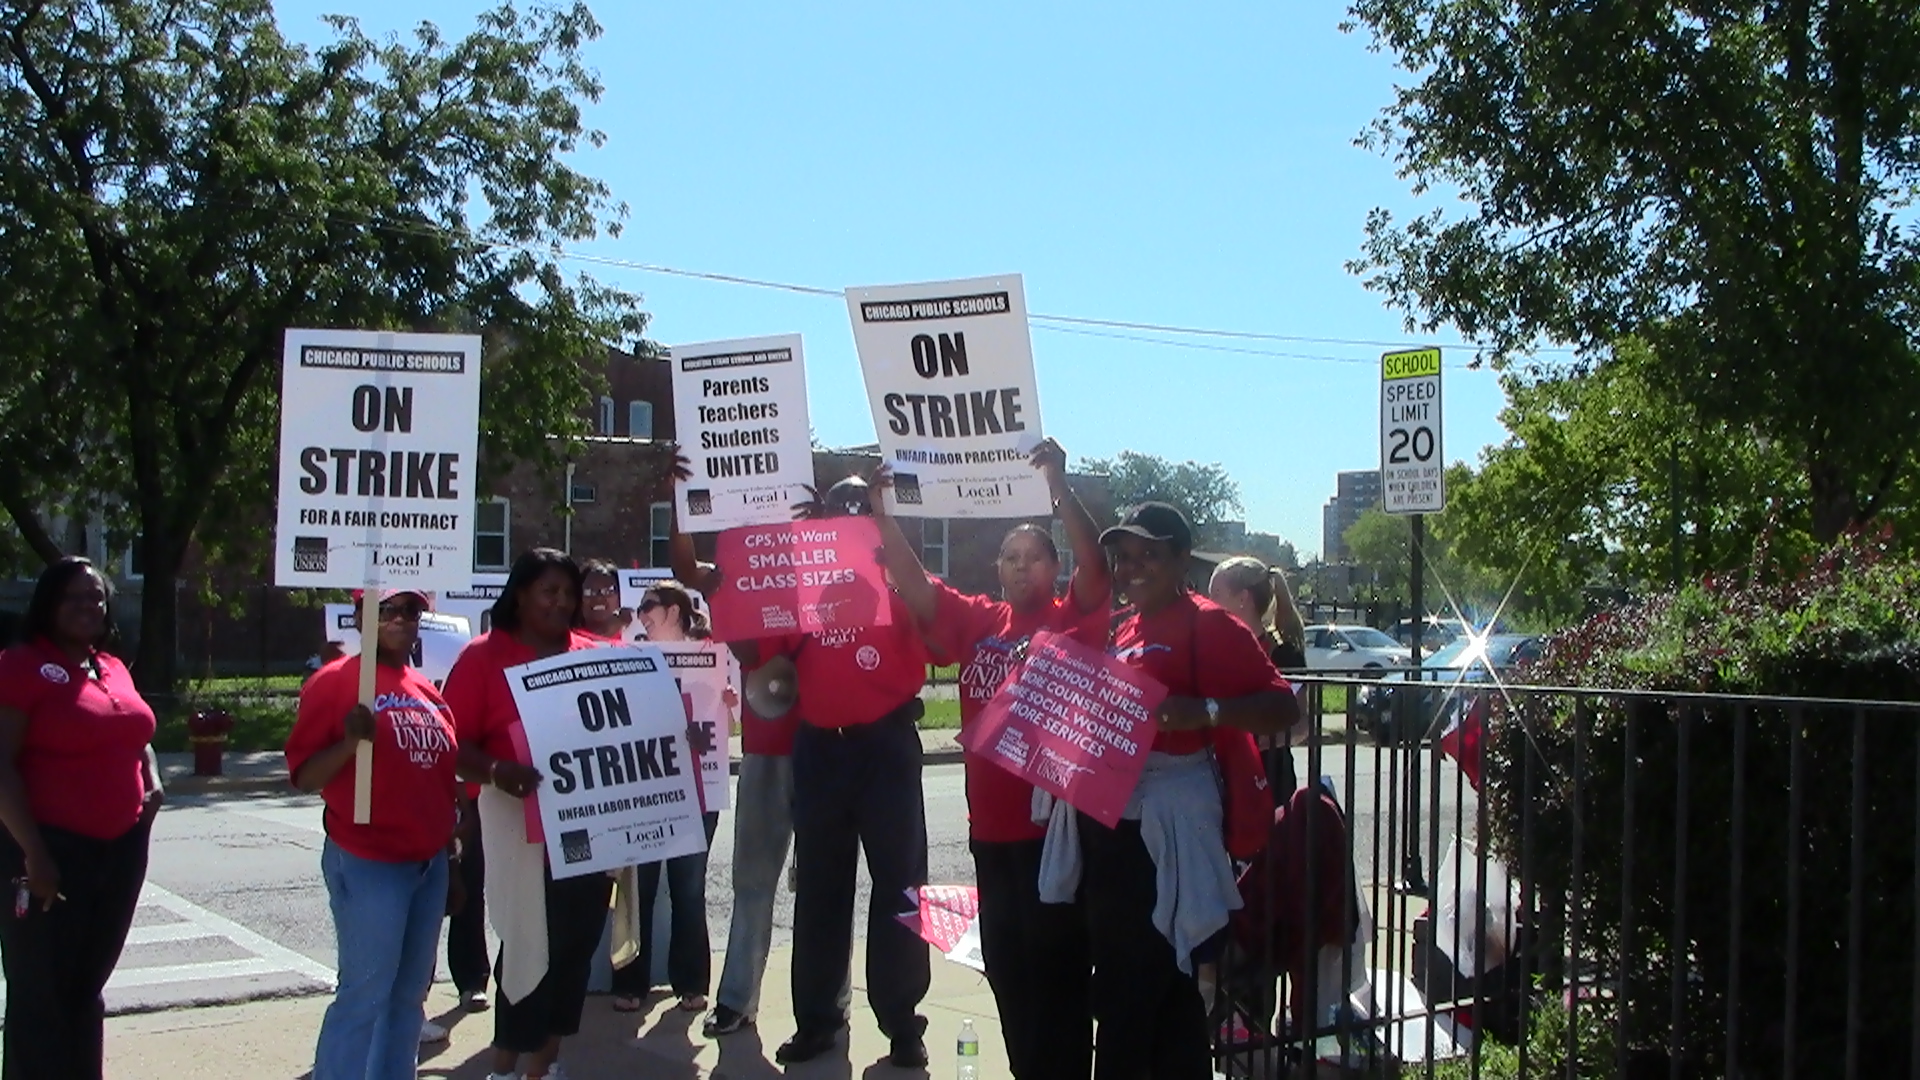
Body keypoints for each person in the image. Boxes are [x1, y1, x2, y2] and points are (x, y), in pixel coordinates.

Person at [671, 466, 933, 1068]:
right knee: (819, 889)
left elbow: (940, 631)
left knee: (902, 888)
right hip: (821, 747)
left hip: (887, 748)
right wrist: (732, 591)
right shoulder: (799, 591)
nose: (845, 526)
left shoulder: (903, 583)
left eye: (858, 515)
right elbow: (750, 644)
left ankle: (902, 1024)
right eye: (836, 516)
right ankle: (818, 1019)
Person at [867, 438, 1107, 1080]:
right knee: (1006, 967)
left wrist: (1058, 482)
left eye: (1033, 557)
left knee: (1056, 968)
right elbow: (916, 586)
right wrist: (882, 512)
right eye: (1010, 557)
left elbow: (1095, 562)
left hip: (1053, 835)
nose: (1020, 567)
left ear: (1053, 568)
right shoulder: (980, 622)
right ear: (997, 569)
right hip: (990, 835)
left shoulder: (1071, 619)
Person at [1064, 503, 1298, 1080]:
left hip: (1168, 834)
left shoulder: (1209, 623)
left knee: (1135, 992)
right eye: (1124, 557)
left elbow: (1283, 707)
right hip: (1116, 831)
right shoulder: (1124, 626)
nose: (1133, 567)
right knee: (1153, 992)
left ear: (1181, 559)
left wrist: (1204, 711)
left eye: (1149, 554)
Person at [442, 549, 609, 1080]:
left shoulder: (594, 653)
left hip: (585, 822)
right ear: (519, 595)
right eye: (549, 591)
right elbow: (453, 742)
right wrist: (494, 771)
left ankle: (545, 1064)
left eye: (569, 593)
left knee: (576, 941)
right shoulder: (482, 657)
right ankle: (505, 1066)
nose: (561, 602)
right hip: (514, 818)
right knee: (527, 941)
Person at [286, 588, 462, 1080]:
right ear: (360, 617)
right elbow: (305, 776)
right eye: (387, 610)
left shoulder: (427, 691)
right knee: (365, 993)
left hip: (428, 865)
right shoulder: (336, 683)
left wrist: (453, 854)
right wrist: (348, 744)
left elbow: (442, 778)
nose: (402, 619)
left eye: (412, 611)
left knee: (408, 999)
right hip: (369, 860)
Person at [0, 558, 162, 1080]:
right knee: (39, 995)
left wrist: (152, 780)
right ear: (48, 602)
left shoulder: (110, 665)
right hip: (46, 849)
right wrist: (35, 854)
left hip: (117, 850)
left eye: (95, 597)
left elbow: (135, 729)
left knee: (85, 990)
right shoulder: (20, 665)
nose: (87, 607)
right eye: (73, 597)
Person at [609, 580, 726, 1013]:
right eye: (639, 608)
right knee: (638, 889)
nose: (641, 614)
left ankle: (691, 983)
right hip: (644, 792)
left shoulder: (711, 654)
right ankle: (630, 983)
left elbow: (726, 714)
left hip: (697, 794)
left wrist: (728, 700)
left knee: (688, 889)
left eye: (649, 606)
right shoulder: (630, 654)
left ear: (674, 611)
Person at [1208, 555, 1310, 799]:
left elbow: (1300, 726)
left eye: (1216, 596)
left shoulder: (1283, 655)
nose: (1208, 605)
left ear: (1243, 599)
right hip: (1220, 781)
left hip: (1270, 782)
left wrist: (1251, 737)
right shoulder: (1211, 652)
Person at [580, 559, 633, 642]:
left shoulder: (636, 633)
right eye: (589, 591)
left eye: (608, 590)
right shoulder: (566, 638)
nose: (599, 598)